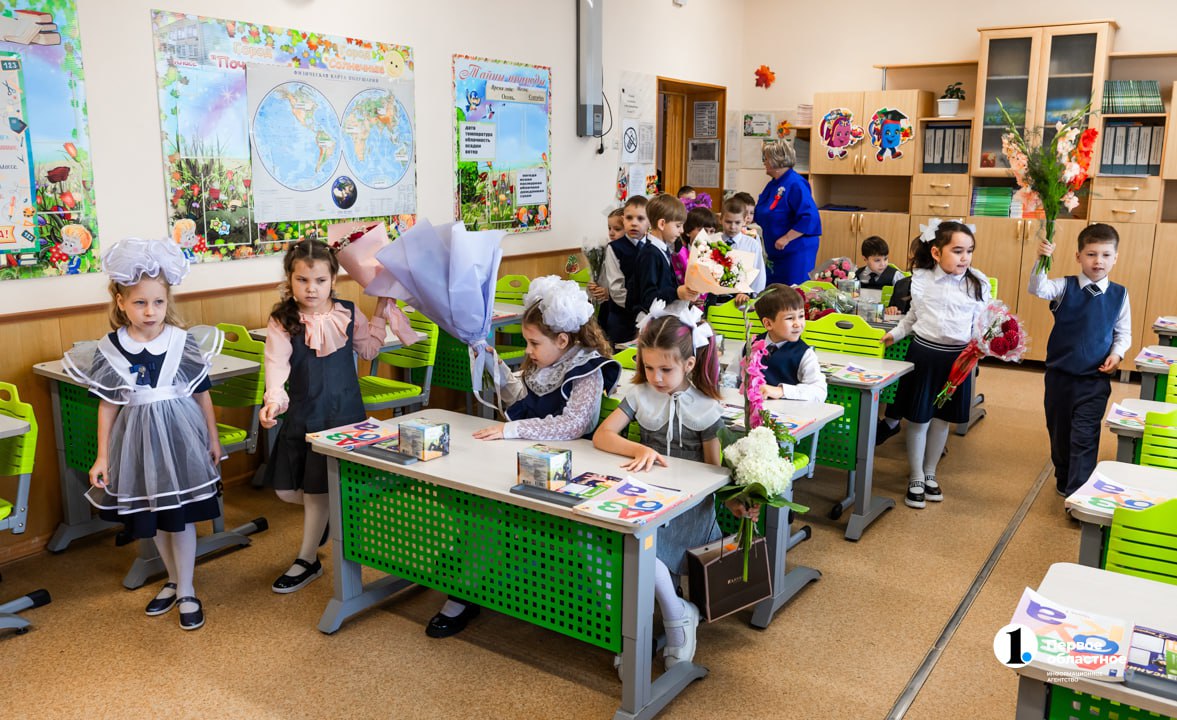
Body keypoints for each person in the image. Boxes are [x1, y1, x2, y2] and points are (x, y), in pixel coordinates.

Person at [424, 278, 622, 638]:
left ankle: (466, 582)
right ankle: (466, 581)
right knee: (482, 502)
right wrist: (494, 365)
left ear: (563, 341)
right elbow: (521, 399)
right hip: (529, 456)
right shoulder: (544, 361)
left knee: (493, 511)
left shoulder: (588, 368)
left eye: (534, 343)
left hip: (570, 470)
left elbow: (574, 424)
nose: (528, 351)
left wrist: (510, 430)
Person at [63, 238, 223, 631]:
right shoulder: (110, 348)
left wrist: (213, 438)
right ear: (121, 302)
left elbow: (201, 394)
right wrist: (103, 456)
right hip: (136, 443)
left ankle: (187, 589)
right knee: (156, 516)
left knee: (180, 518)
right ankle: (173, 579)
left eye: (158, 302)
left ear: (168, 302)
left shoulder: (182, 341)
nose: (150, 311)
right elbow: (108, 405)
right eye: (139, 303)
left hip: (180, 438)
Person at [593, 302, 754, 670]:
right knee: (626, 540)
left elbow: (714, 469)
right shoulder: (640, 395)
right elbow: (603, 435)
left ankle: (675, 619)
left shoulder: (705, 406)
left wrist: (735, 502)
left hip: (689, 507)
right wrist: (639, 448)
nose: (656, 377)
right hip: (648, 496)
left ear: (689, 364)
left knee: (643, 546)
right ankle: (663, 617)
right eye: (649, 367)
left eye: (666, 369)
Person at [258, 239, 391, 593]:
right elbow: (276, 365)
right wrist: (274, 401)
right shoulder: (283, 319)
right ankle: (328, 514)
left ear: (333, 279)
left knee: (317, 492)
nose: (311, 288)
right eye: (302, 280)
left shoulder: (348, 311)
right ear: (290, 279)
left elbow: (369, 350)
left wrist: (381, 311)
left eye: (319, 280)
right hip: (305, 414)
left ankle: (307, 559)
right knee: (287, 490)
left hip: (344, 415)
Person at [883, 220, 989, 509]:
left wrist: (983, 345)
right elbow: (912, 317)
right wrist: (895, 334)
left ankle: (930, 472)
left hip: (957, 361)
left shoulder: (977, 283)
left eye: (969, 251)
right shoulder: (922, 279)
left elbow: (981, 324)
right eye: (957, 251)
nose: (965, 258)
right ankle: (916, 475)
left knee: (942, 420)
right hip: (924, 356)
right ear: (936, 252)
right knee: (919, 419)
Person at [1029, 223, 1130, 498]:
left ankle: (1078, 492)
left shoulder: (1120, 294)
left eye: (1106, 255)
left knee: (1085, 434)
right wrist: (1042, 260)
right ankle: (1064, 476)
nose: (1098, 261)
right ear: (1078, 256)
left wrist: (1117, 354)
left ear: (1115, 258)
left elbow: (1123, 332)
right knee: (1059, 432)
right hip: (1060, 377)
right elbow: (1038, 288)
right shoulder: (1064, 286)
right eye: (1091, 254)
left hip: (1094, 379)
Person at [753, 140, 822, 285]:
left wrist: (786, 238)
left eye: (766, 158)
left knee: (793, 290)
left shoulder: (796, 183)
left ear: (776, 160)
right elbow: (763, 211)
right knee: (773, 291)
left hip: (794, 250)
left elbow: (809, 217)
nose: (764, 162)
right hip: (775, 252)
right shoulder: (773, 184)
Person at [750, 285, 827, 401]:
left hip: (790, 411)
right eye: (790, 318)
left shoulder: (805, 354)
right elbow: (732, 377)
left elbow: (819, 391)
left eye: (801, 316)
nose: (798, 324)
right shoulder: (751, 346)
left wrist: (782, 391)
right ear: (768, 324)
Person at [629, 193, 699, 315]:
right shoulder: (650, 254)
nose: (682, 230)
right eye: (678, 226)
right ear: (662, 224)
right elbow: (648, 298)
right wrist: (677, 293)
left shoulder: (662, 250)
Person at [597, 196, 649, 345]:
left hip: (649, 316)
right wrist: (638, 310)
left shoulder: (652, 246)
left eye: (640, 218)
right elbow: (616, 289)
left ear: (649, 221)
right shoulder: (615, 248)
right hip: (622, 317)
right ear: (623, 219)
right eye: (629, 218)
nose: (634, 223)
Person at [717, 196, 767, 306]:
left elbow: (759, 274)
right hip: (714, 298)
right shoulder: (714, 241)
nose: (732, 227)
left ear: (744, 221)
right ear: (721, 219)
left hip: (741, 299)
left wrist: (750, 295)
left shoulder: (752, 244)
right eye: (728, 222)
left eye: (737, 222)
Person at [587, 208, 626, 330]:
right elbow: (602, 275)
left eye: (617, 229)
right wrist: (594, 286)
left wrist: (609, 292)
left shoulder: (628, 253)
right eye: (609, 228)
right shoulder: (607, 249)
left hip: (621, 307)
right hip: (606, 307)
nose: (611, 233)